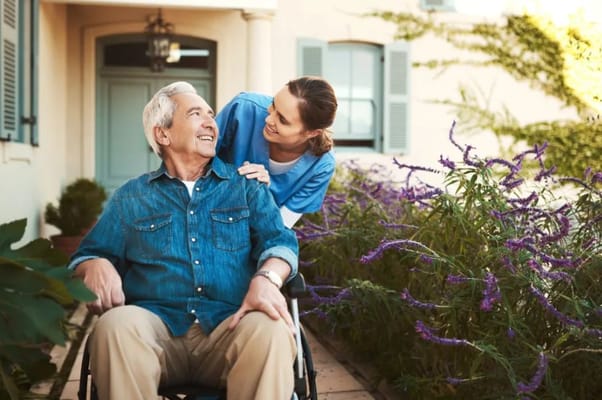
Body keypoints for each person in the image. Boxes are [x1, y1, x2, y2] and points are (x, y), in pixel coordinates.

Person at [68, 81, 299, 400]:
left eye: (211, 114)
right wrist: (93, 264)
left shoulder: (246, 186)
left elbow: (280, 243)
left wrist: (268, 279)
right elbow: (87, 254)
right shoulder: (131, 197)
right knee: (114, 326)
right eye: (196, 114)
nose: (211, 123)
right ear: (163, 134)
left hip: (230, 327)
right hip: (155, 332)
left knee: (271, 329)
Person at [215, 76, 338, 228]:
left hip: (247, 234)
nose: (269, 119)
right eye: (273, 105)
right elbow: (193, 161)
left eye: (283, 120)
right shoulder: (243, 108)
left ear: (312, 133)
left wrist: (262, 193)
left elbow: (278, 227)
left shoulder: (321, 167)